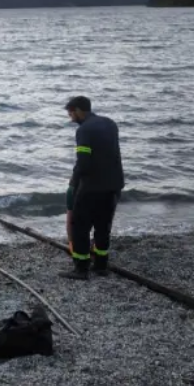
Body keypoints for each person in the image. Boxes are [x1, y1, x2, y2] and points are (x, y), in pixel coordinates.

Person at [61, 96, 124, 280]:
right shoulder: (110, 124)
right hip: (113, 185)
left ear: (80, 110)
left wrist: (74, 183)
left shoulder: (84, 130)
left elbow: (83, 163)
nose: (71, 117)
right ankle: (101, 266)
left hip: (91, 187)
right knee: (103, 226)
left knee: (80, 227)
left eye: (71, 113)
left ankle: (81, 269)